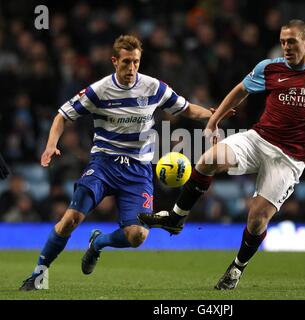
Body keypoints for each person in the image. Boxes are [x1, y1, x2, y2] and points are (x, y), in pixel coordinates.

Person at [138, 19, 305, 290]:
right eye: (283, 41)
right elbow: (240, 90)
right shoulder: (270, 68)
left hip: (290, 158)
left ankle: (237, 267)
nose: (286, 47)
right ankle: (176, 217)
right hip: (259, 138)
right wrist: (213, 121)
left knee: (257, 219)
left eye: (292, 42)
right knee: (208, 160)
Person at [19, 35, 215, 291]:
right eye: (126, 62)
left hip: (138, 170)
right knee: (71, 219)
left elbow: (187, 108)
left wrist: (214, 114)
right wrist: (51, 145)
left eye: (136, 62)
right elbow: (61, 116)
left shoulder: (153, 87)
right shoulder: (98, 91)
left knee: (138, 236)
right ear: (114, 61)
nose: (131, 69)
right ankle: (37, 275)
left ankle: (98, 243)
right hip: (104, 164)